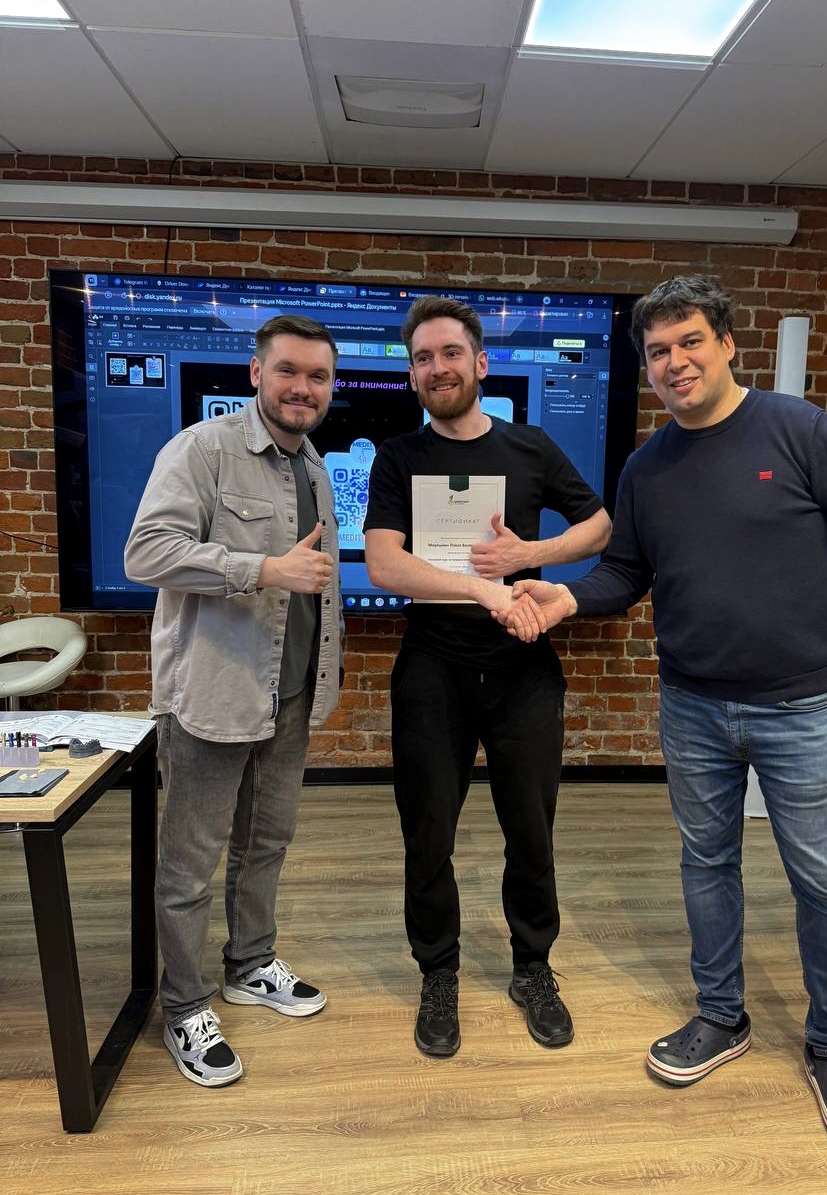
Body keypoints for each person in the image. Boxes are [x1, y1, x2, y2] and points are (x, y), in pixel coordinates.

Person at [496, 274, 827, 1150]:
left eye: (690, 341)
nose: (674, 362)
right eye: (658, 351)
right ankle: (721, 1015)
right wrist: (565, 598)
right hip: (692, 705)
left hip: (803, 707)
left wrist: (805, 609)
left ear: (727, 344)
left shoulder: (799, 430)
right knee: (706, 864)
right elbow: (627, 573)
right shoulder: (648, 467)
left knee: (826, 884)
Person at [363, 295, 611, 1058]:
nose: (437, 368)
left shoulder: (531, 446)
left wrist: (528, 557)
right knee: (427, 834)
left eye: (449, 354)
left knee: (530, 831)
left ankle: (532, 967)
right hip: (432, 669)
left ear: (480, 363)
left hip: (522, 669)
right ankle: (438, 972)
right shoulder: (398, 456)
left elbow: (600, 524)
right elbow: (384, 562)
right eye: (423, 359)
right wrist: (481, 589)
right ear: (413, 375)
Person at [125, 314, 342, 1088]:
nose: (302, 388)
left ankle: (250, 962)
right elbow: (146, 552)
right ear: (256, 374)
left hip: (289, 696)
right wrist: (262, 570)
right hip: (213, 695)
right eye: (288, 371)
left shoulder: (315, 466)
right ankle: (185, 1008)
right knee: (190, 865)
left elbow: (320, 588)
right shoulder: (201, 450)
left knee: (266, 842)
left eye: (317, 376)